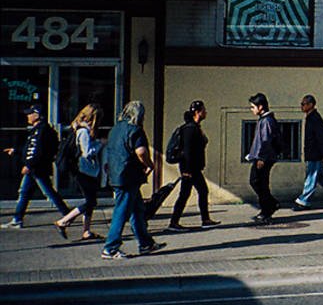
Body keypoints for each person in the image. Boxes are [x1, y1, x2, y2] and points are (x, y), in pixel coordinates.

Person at [100, 100, 164, 259]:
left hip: (116, 173)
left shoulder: (115, 129)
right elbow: (141, 151)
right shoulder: (135, 130)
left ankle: (146, 243)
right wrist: (149, 165)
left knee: (137, 210)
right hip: (129, 176)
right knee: (122, 211)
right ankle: (111, 247)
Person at [3, 105, 69, 228]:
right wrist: (16, 150)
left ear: (37, 115)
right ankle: (17, 219)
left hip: (37, 169)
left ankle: (68, 215)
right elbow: (28, 148)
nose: (28, 116)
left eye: (30, 113)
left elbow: (38, 151)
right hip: (35, 168)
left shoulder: (42, 131)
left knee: (48, 192)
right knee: (25, 192)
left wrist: (29, 165)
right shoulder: (37, 130)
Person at [166, 101, 220, 232]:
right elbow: (188, 151)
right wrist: (187, 170)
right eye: (203, 110)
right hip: (189, 169)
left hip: (192, 168)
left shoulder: (194, 127)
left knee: (193, 192)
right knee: (192, 192)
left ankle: (202, 220)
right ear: (197, 112)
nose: (205, 112)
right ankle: (177, 222)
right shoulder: (190, 129)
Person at [55, 105, 105, 240]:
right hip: (84, 170)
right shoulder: (83, 131)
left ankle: (86, 230)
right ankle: (63, 221)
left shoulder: (79, 128)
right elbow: (87, 152)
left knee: (91, 200)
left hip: (88, 171)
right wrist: (100, 143)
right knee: (90, 201)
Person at [246, 92, 282, 225]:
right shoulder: (264, 120)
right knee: (259, 183)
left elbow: (265, 141)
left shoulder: (267, 121)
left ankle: (268, 208)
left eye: (253, 107)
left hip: (263, 158)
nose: (252, 109)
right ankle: (269, 206)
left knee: (258, 182)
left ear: (260, 107)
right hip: (261, 156)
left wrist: (261, 157)